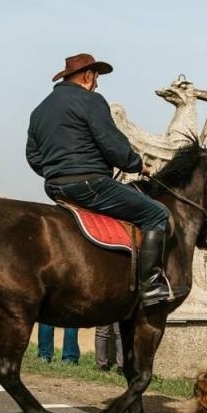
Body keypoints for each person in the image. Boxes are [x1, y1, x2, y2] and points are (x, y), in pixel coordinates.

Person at [27, 53, 173, 307]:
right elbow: (112, 144)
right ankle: (150, 286)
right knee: (157, 214)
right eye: (96, 78)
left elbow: (33, 156)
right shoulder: (91, 100)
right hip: (90, 184)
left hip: (55, 187)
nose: (97, 84)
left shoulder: (39, 110)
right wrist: (138, 165)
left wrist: (57, 172)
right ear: (88, 76)